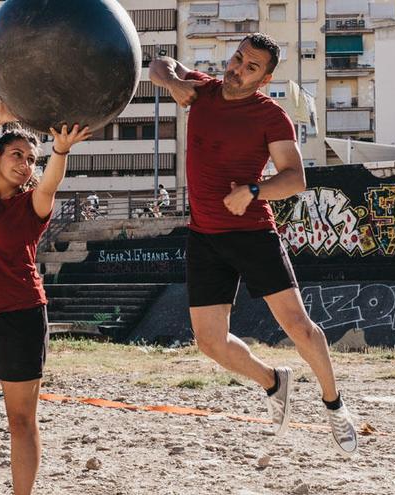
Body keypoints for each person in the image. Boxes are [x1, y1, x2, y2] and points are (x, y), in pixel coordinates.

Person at [149, 33, 357, 455]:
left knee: (298, 327)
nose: (238, 70)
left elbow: (295, 178)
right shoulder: (201, 91)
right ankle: (273, 381)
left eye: (251, 68)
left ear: (265, 79)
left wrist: (252, 190)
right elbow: (158, 62)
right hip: (205, 236)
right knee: (209, 341)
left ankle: (334, 405)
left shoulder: (271, 116)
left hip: (252, 233)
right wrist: (173, 82)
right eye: (238, 59)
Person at [0, 99, 90, 495]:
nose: (24, 164)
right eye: (16, 154)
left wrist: (59, 150)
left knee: (21, 419)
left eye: (30, 158)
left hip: (22, 316)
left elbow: (51, 181)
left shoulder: (34, 204)